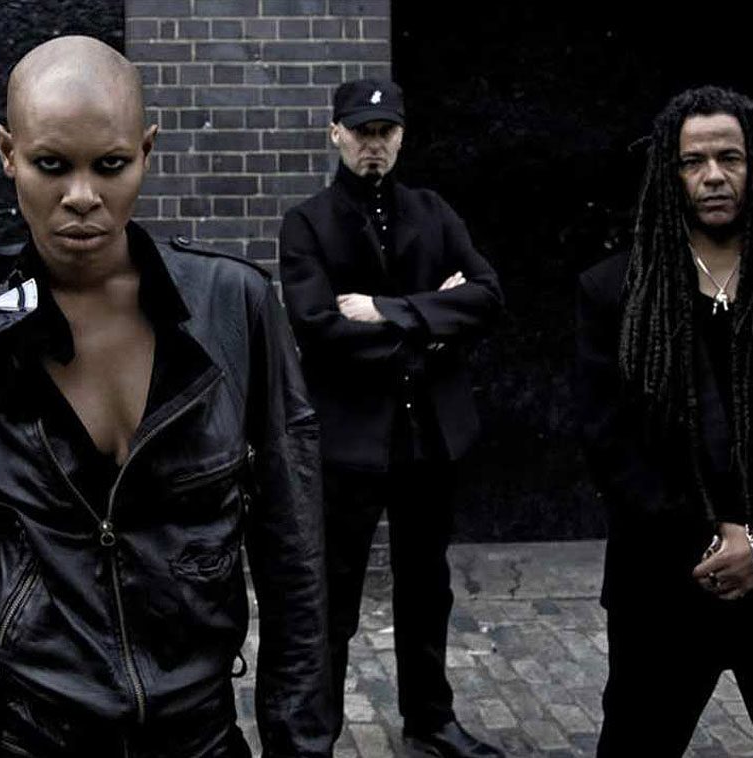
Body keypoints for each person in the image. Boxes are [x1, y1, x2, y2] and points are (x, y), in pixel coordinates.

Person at [0, 35, 330, 758]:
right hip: (26, 733)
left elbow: (296, 562)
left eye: (111, 165)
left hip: (198, 733)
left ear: (147, 151)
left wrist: (301, 746)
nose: (82, 197)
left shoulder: (235, 307)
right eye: (51, 165)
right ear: (7, 153)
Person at [576, 85, 753, 757]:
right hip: (663, 587)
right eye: (693, 161)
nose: (713, 175)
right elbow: (607, 443)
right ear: (671, 172)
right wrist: (713, 538)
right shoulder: (613, 291)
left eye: (729, 158)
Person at [279, 79, 505, 758]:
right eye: (360, 132)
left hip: (427, 438)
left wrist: (386, 311)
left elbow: (487, 296)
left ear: (402, 137)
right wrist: (434, 322)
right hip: (348, 443)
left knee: (426, 586)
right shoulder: (307, 223)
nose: (372, 145)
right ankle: (314, 736)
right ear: (336, 135)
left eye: (385, 132)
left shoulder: (433, 212)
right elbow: (318, 327)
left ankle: (429, 719)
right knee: (335, 595)